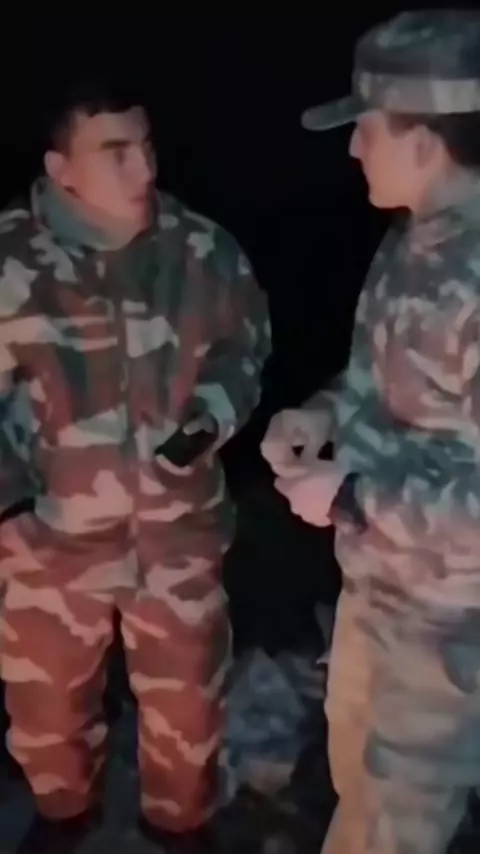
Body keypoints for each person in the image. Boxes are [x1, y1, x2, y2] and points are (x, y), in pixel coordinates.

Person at [0, 73, 271, 853]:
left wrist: (214, 412)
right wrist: (10, 505)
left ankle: (177, 827)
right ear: (61, 169)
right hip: (49, 541)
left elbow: (246, 346)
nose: (144, 168)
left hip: (178, 530)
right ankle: (66, 816)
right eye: (115, 151)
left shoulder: (202, 249)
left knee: (189, 706)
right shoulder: (11, 261)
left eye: (146, 145)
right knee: (47, 710)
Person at [261, 9, 480, 854]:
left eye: (368, 128)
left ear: (423, 142)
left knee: (391, 834)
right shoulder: (412, 242)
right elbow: (382, 386)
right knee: (356, 791)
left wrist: (353, 493)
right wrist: (322, 414)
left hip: (445, 624)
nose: (353, 148)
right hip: (375, 589)